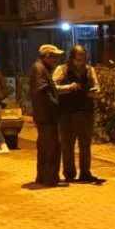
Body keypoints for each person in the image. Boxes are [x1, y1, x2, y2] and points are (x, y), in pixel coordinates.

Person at [54, 45, 101, 182]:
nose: (81, 63)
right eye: (78, 59)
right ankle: (69, 173)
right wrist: (69, 87)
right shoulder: (62, 70)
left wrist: (96, 91)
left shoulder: (89, 70)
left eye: (83, 59)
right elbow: (53, 88)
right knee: (67, 145)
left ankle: (85, 172)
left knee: (85, 145)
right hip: (66, 113)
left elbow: (96, 85)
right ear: (72, 58)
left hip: (85, 112)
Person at [29, 44, 70, 187]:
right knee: (51, 148)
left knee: (45, 147)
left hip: (43, 115)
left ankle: (42, 177)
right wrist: (56, 104)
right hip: (46, 115)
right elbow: (43, 92)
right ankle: (50, 178)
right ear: (47, 56)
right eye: (54, 57)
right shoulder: (39, 69)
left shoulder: (41, 68)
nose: (56, 60)